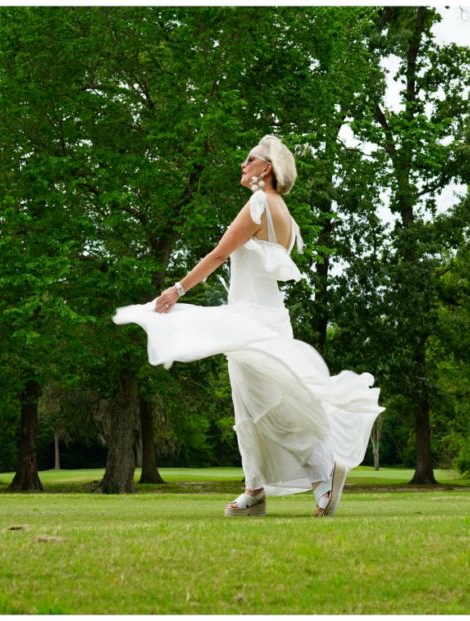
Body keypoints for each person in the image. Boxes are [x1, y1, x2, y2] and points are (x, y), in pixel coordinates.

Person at [113, 135, 383, 517]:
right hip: (271, 318)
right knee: (252, 406)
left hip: (249, 319)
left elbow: (220, 253)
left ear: (266, 168)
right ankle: (255, 490)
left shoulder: (258, 202)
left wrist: (176, 290)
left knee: (270, 405)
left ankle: (323, 469)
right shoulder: (284, 213)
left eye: (249, 159)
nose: (243, 165)